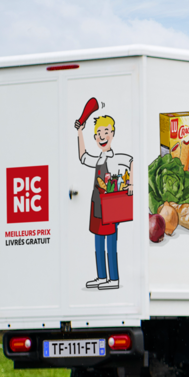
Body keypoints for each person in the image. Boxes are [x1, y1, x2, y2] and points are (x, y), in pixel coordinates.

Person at [76, 114, 133, 290]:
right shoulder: (98, 159)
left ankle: (113, 279)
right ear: (94, 137)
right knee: (98, 242)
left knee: (111, 243)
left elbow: (131, 161)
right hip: (96, 205)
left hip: (110, 205)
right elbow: (83, 157)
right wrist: (79, 132)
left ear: (112, 134)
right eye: (98, 133)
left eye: (106, 132)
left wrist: (131, 183)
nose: (102, 136)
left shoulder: (115, 158)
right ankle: (101, 276)